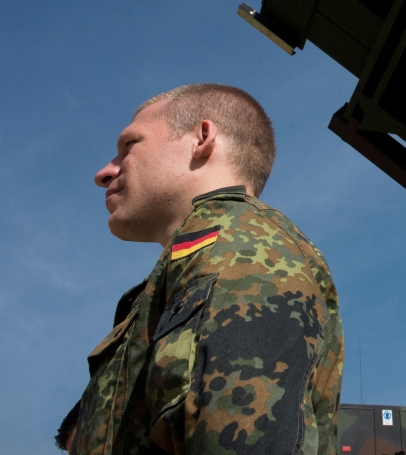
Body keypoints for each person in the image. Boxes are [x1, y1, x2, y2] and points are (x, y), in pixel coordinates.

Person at [65, 83, 343, 454]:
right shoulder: (201, 258)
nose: (104, 172)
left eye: (129, 146)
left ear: (202, 138)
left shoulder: (244, 247)